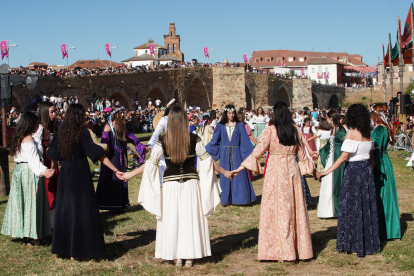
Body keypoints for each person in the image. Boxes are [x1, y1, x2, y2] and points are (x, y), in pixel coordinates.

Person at [120, 106, 232, 267]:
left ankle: (176, 256)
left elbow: (151, 163)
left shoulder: (163, 140)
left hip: (170, 184)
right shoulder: (194, 139)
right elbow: (208, 160)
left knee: (173, 219)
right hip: (191, 183)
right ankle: (190, 256)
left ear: (170, 121)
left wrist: (130, 174)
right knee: (189, 218)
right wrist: (225, 172)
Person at [233, 101, 314, 261]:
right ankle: (296, 249)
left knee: (275, 208)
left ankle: (277, 249)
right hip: (292, 170)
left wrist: (239, 168)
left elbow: (258, 152)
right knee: (292, 208)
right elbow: (303, 157)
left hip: (275, 171)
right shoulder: (295, 130)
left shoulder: (270, 130)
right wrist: (316, 172)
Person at [47, 104, 123, 260]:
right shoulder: (82, 134)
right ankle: (80, 251)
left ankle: (67, 249)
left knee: (67, 211)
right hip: (80, 175)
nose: (85, 117)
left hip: (66, 175)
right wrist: (115, 169)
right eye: (83, 115)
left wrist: (53, 169)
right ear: (79, 117)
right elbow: (98, 154)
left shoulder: (62, 134)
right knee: (82, 212)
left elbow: (54, 154)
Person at [317, 103, 380, 257]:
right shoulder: (369, 135)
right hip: (366, 171)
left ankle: (351, 242)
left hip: (353, 171)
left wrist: (325, 172)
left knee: (351, 207)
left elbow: (343, 157)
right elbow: (372, 162)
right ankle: (366, 242)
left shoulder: (351, 133)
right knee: (365, 207)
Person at [1, 112, 54, 246]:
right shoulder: (28, 138)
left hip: (21, 171)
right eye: (36, 124)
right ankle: (33, 237)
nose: (38, 126)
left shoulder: (20, 137)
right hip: (29, 173)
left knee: (23, 204)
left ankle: (27, 234)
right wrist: (44, 170)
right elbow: (34, 160)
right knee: (32, 205)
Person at [96, 106, 147, 212]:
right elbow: (104, 144)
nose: (123, 115)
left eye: (123, 113)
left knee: (120, 178)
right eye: (121, 113)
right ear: (115, 114)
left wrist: (142, 148)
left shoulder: (121, 127)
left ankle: (120, 204)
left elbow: (132, 137)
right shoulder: (108, 127)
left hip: (119, 157)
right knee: (112, 179)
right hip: (111, 157)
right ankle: (111, 205)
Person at [206, 104, 256, 205]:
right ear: (226, 114)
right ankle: (226, 199)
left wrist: (251, 153)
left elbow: (245, 141)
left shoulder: (240, 125)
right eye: (229, 113)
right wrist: (205, 150)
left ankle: (241, 198)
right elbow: (215, 140)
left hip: (237, 152)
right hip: (224, 153)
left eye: (233, 113)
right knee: (225, 175)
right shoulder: (220, 125)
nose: (231, 115)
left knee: (238, 175)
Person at [371, 104, 401, 240]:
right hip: (385, 162)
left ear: (376, 115)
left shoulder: (378, 130)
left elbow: (376, 150)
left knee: (382, 197)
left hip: (380, 164)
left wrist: (374, 167)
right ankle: (389, 229)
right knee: (386, 196)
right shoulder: (383, 129)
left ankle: (384, 230)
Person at [317, 110, 346, 218]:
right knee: (328, 181)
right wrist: (319, 151)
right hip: (331, 158)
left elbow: (346, 144)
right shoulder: (333, 130)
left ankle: (336, 210)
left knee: (336, 183)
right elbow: (329, 145)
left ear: (330, 119)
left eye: (328, 119)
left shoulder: (342, 131)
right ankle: (328, 210)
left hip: (338, 157)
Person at [37, 102, 59, 228]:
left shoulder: (54, 127)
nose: (54, 114)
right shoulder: (39, 129)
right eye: (51, 111)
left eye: (54, 111)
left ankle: (53, 223)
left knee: (55, 191)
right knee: (48, 192)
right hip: (44, 163)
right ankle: (46, 223)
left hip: (53, 162)